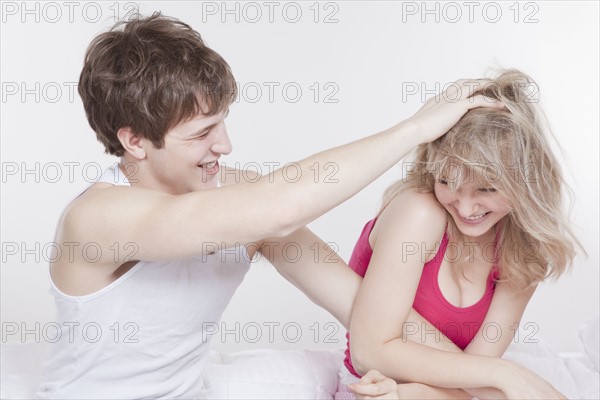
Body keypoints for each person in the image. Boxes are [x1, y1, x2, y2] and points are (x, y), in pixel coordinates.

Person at [34, 12, 504, 399]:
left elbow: (363, 308)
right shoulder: (96, 218)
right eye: (201, 133)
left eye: (222, 123)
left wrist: (486, 383)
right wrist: (414, 130)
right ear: (134, 141)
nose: (226, 145)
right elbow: (279, 207)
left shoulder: (242, 205)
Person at [335, 69, 583, 399]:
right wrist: (507, 375)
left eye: (487, 189)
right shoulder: (419, 214)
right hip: (371, 388)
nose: (466, 209)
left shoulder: (523, 248)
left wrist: (412, 395)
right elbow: (371, 353)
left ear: (526, 182)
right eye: (448, 183)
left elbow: (471, 376)